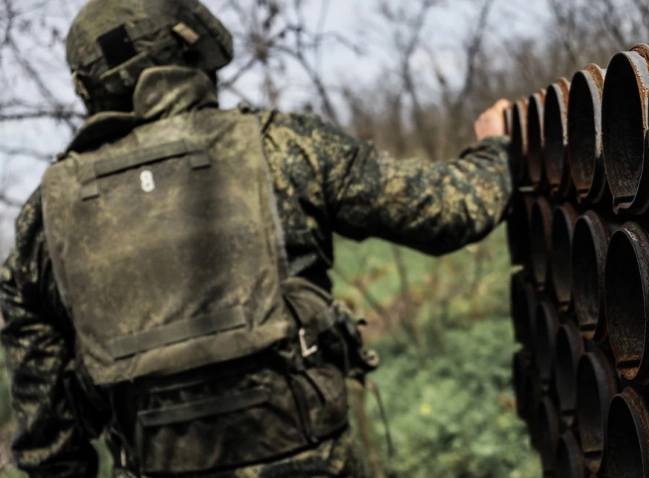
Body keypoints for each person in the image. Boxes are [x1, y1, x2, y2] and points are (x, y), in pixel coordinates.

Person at [0, 0, 512, 476]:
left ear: (87, 86)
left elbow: (47, 438)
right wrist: (494, 146)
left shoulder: (44, 222)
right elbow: (451, 210)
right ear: (190, 50)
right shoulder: (279, 145)